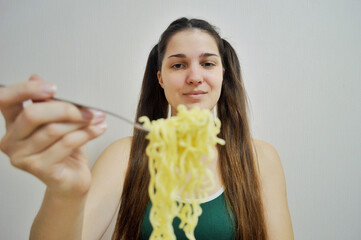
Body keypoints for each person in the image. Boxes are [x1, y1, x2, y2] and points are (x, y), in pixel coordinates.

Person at [0, 17, 293, 240]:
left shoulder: (259, 158)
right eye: (178, 65)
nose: (194, 76)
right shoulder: (125, 155)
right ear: (161, 78)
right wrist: (63, 192)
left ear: (223, 75)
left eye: (207, 63)